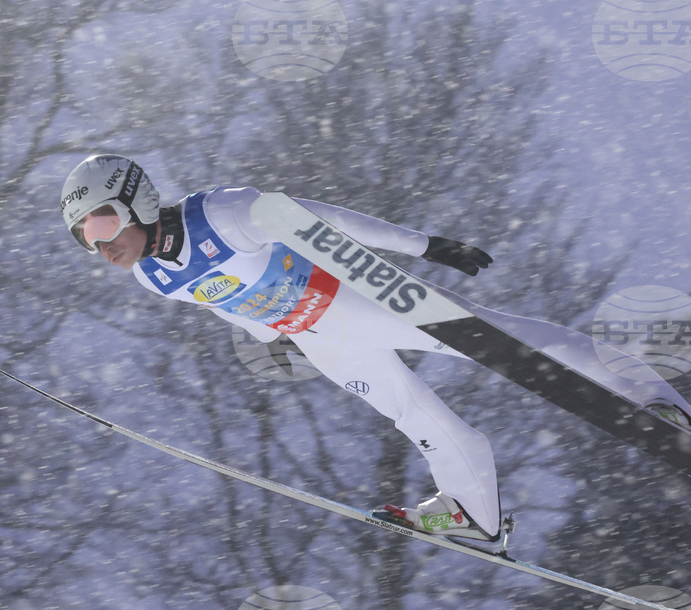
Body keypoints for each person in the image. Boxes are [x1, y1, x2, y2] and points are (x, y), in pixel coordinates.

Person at [60, 154, 503, 540]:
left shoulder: (221, 212)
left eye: (102, 224)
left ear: (137, 201)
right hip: (316, 335)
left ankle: (569, 362)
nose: (101, 246)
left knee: (490, 339)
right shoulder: (153, 277)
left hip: (347, 298)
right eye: (84, 238)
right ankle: (473, 513)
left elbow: (324, 220)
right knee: (410, 412)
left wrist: (424, 246)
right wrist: (269, 337)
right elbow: (219, 300)